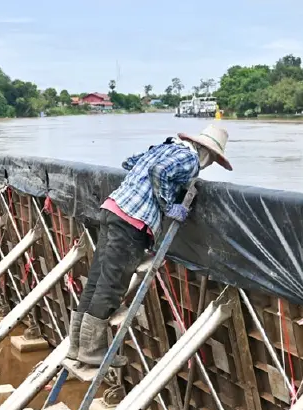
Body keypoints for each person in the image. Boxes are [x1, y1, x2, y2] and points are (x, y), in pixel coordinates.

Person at [67, 124, 232, 368]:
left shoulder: (165, 147)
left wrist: (144, 185)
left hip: (113, 208)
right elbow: (159, 172)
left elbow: (131, 162)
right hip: (131, 220)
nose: (207, 165)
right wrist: (167, 204)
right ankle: (91, 350)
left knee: (96, 280)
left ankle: (76, 347)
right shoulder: (190, 159)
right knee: (111, 284)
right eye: (212, 160)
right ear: (207, 152)